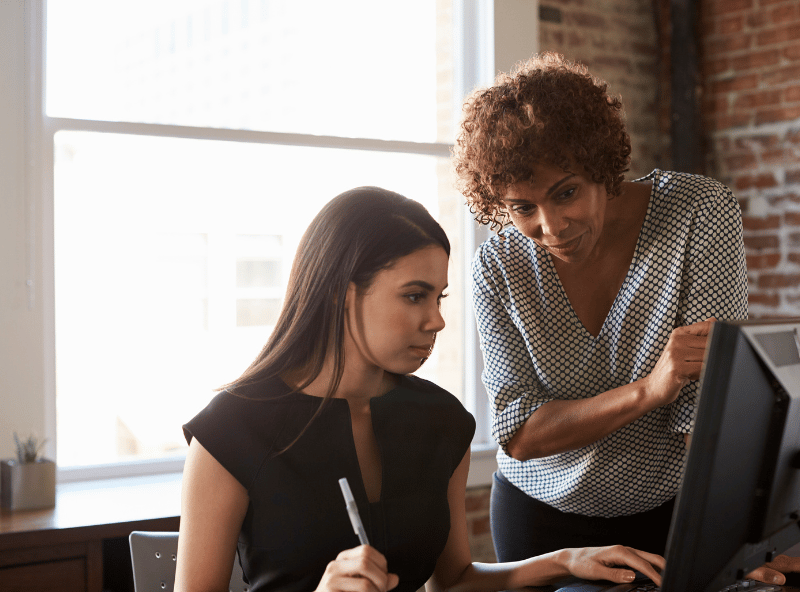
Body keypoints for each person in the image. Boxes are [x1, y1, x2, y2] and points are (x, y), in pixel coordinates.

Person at [174, 186, 665, 592]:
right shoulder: (230, 432)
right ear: (343, 293)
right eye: (414, 296)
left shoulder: (442, 421)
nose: (437, 320)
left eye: (438, 297)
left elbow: (453, 581)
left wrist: (565, 560)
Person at [452, 53, 751, 562]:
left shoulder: (698, 213)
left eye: (565, 192)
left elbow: (706, 409)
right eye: (523, 208)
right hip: (538, 521)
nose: (553, 227)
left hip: (672, 512)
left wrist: (734, 542)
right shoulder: (497, 266)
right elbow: (519, 432)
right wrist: (650, 389)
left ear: (601, 166)